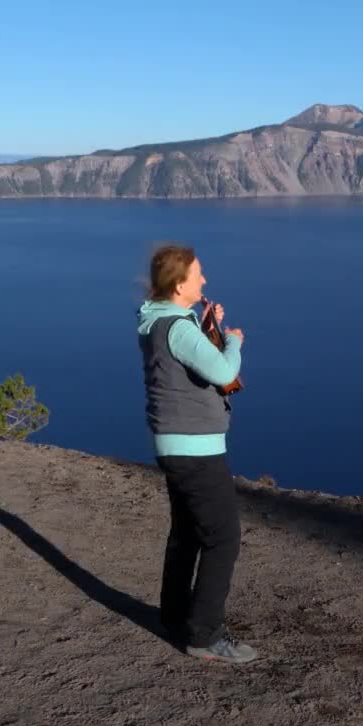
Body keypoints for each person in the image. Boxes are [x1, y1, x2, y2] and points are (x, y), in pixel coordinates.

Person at [138, 244, 257, 664]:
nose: (204, 280)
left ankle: (174, 616)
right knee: (223, 538)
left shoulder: (159, 321)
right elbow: (224, 372)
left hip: (174, 444)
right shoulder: (179, 328)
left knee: (187, 532)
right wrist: (234, 342)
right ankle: (204, 635)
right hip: (195, 447)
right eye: (199, 274)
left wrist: (206, 325)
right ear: (180, 282)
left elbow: (181, 353)